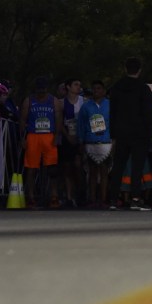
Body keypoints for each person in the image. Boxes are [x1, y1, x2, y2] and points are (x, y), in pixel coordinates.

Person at [109, 57, 152, 211]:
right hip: (139, 132)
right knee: (137, 166)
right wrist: (149, 134)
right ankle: (135, 198)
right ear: (139, 70)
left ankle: (114, 199)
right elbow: (148, 113)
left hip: (121, 132)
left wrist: (113, 133)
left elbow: (112, 112)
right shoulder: (143, 88)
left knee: (118, 166)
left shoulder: (116, 87)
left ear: (125, 69)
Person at [20, 76, 63, 209]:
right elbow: (22, 120)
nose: (41, 94)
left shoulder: (53, 101)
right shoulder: (29, 101)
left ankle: (54, 196)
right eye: (39, 91)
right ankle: (31, 197)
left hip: (49, 136)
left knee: (52, 168)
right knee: (31, 167)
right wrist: (22, 138)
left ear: (47, 89)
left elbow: (58, 118)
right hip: (33, 136)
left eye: (43, 91)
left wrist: (57, 135)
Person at [78, 80, 112, 207]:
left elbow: (114, 123)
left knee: (104, 172)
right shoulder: (86, 106)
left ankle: (103, 199)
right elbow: (81, 125)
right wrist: (81, 141)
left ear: (103, 91)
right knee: (92, 172)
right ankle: (92, 199)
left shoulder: (110, 105)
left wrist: (114, 140)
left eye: (99, 88)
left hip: (105, 141)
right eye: (94, 88)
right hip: (90, 141)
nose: (96, 91)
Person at [59, 78, 85, 207]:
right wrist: (67, 135)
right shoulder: (61, 103)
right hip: (67, 138)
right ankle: (69, 196)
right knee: (67, 167)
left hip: (80, 138)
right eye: (76, 84)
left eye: (79, 85)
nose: (78, 87)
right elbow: (59, 122)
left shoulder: (83, 101)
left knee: (78, 166)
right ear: (68, 87)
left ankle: (80, 193)